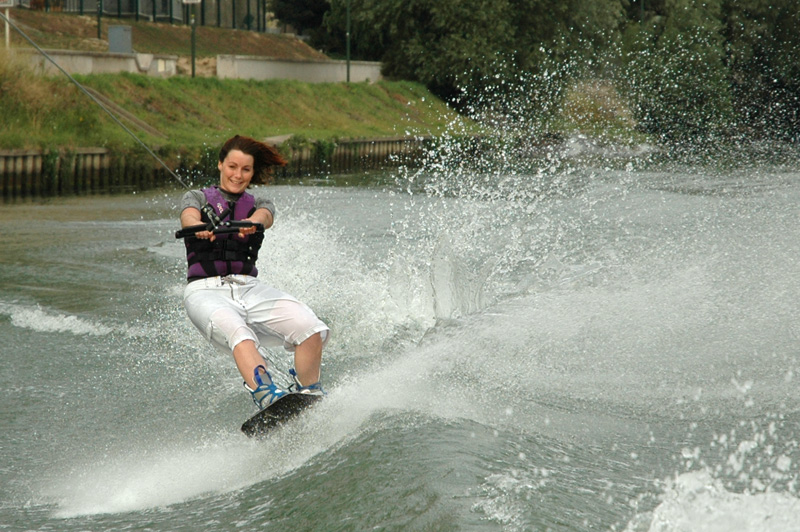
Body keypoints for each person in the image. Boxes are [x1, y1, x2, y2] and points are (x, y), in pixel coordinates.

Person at [180, 134, 329, 410]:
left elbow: (265, 217)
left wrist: (251, 222)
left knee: (311, 328)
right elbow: (188, 215)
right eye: (232, 167)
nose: (238, 175)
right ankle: (265, 394)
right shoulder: (197, 197)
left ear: (252, 172)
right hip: (205, 292)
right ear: (220, 165)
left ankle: (310, 392)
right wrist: (196, 226)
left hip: (248, 288)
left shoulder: (260, 203)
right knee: (238, 331)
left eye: (245, 169)